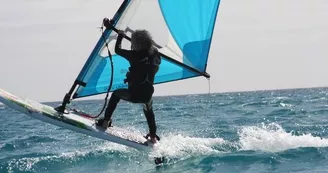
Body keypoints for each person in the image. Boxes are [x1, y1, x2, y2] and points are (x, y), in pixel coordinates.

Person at [96, 18, 161, 143]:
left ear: (136, 44)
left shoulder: (134, 55)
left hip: (134, 94)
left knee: (116, 94)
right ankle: (153, 135)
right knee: (149, 111)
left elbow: (118, 50)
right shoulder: (155, 55)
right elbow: (151, 54)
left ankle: (105, 121)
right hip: (148, 95)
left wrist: (120, 37)